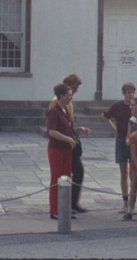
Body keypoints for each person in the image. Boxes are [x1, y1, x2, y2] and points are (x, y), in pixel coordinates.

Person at [47, 73, 91, 213]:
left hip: (68, 145)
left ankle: (68, 205)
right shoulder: (56, 104)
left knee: (69, 175)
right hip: (60, 145)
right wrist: (68, 138)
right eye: (73, 89)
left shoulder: (67, 104)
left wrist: (77, 129)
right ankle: (60, 207)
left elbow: (67, 124)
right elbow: (52, 128)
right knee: (61, 177)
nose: (74, 92)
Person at [102, 82, 136, 213]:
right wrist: (114, 129)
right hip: (121, 140)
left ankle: (132, 202)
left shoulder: (136, 106)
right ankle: (125, 202)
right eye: (129, 92)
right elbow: (105, 116)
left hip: (133, 141)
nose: (131, 94)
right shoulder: (118, 106)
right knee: (124, 172)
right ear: (123, 93)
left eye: (133, 92)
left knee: (134, 172)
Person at [46, 83, 77, 220]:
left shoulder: (66, 110)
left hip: (66, 150)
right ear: (61, 96)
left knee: (66, 178)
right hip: (56, 149)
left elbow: (67, 127)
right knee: (56, 179)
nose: (71, 97)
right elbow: (52, 132)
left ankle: (64, 208)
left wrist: (78, 130)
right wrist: (68, 139)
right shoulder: (54, 111)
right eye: (69, 95)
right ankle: (54, 210)